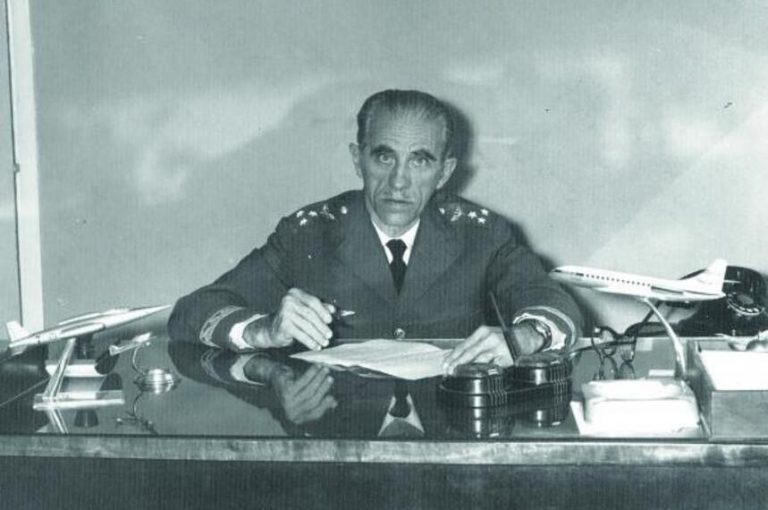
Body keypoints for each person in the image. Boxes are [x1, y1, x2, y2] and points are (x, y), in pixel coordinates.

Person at [168, 89, 582, 373]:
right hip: (337, 434)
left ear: (444, 173)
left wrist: (524, 338)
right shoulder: (307, 234)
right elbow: (192, 312)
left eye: (420, 161)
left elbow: (552, 303)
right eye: (384, 157)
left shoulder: (482, 234)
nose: (398, 182)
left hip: (450, 433)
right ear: (358, 159)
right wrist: (264, 330)